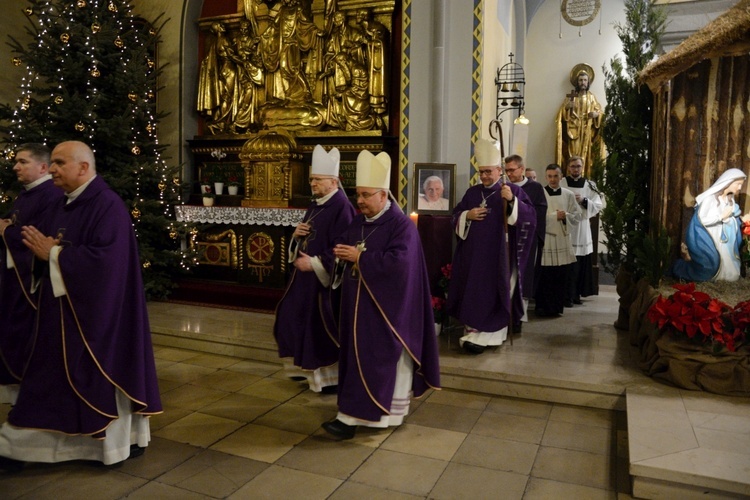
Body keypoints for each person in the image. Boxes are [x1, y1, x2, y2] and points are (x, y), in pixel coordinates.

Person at [0, 141, 162, 471]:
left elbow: (107, 264)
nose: (53, 169)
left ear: (83, 168)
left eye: (59, 163)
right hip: (59, 313)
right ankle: (33, 448)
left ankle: (109, 446)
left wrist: (55, 255)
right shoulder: (66, 203)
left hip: (96, 322)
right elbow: (42, 247)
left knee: (86, 376)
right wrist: (45, 255)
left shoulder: (107, 206)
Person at [321, 149, 440, 439]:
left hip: (387, 313)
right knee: (356, 358)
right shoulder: (358, 223)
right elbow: (344, 249)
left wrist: (360, 258)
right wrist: (339, 257)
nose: (358, 201)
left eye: (365, 195)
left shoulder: (401, 227)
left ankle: (381, 416)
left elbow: (400, 266)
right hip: (357, 308)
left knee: (379, 359)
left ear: (383, 195)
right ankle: (348, 415)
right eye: (357, 194)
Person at [273, 145, 355, 393]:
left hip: (322, 283)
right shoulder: (318, 204)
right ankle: (302, 369)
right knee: (290, 316)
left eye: (317, 179)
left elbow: (343, 246)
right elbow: (308, 237)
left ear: (333, 181)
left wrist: (315, 263)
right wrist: (296, 237)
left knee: (317, 327)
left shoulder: (341, 207)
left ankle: (329, 379)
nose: (312, 183)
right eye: (311, 179)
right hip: (304, 279)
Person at [447, 139, 536, 354]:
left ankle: (492, 335)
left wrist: (512, 201)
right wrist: (467, 214)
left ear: (499, 170)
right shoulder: (472, 193)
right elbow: (455, 216)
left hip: (499, 256)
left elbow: (530, 217)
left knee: (495, 291)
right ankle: (472, 331)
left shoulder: (510, 190)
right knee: (474, 292)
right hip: (473, 257)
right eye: (481, 172)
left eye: (488, 171)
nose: (485, 176)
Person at [0, 144, 64, 405]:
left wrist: (5, 231)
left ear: (42, 167)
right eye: (16, 161)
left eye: (22, 162)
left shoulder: (49, 195)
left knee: (23, 335)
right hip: (11, 278)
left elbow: (37, 238)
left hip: (28, 281)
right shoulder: (26, 194)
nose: (16, 166)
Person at [672, 168, 750, 282]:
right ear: (728, 182)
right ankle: (679, 268)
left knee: (731, 275)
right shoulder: (710, 199)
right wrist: (721, 217)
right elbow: (702, 220)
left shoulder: (731, 200)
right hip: (709, 240)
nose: (739, 188)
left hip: (725, 244)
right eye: (738, 184)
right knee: (708, 270)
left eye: (741, 185)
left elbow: (733, 217)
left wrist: (742, 220)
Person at [504, 154, 546, 332]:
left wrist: (515, 205)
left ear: (522, 169)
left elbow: (537, 214)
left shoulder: (535, 188)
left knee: (521, 276)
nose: (509, 174)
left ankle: (519, 316)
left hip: (525, 239)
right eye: (506, 170)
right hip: (506, 239)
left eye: (512, 170)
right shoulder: (503, 187)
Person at [536, 164, 581, 317]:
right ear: (545, 177)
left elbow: (577, 215)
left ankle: (557, 307)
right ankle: (542, 307)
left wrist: (566, 216)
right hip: (546, 239)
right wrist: (555, 217)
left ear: (561, 177)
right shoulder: (540, 193)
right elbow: (536, 217)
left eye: (556, 176)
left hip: (562, 238)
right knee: (545, 276)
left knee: (560, 275)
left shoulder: (568, 194)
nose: (553, 179)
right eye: (549, 176)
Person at [561, 155, 602, 305]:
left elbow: (598, 205)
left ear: (582, 167)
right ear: (568, 168)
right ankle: (566, 295)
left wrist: (584, 201)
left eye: (578, 166)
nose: (575, 169)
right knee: (567, 264)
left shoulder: (590, 185)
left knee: (579, 264)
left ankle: (576, 294)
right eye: (572, 166)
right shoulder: (562, 183)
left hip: (582, 228)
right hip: (566, 226)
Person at [555, 65, 604, 171]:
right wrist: (567, 108)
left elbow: (599, 111)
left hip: (587, 130)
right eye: (580, 80)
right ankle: (571, 175)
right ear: (577, 82)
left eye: (585, 80)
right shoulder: (571, 96)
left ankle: (586, 175)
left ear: (588, 82)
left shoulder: (591, 97)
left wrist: (596, 115)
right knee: (573, 153)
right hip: (574, 131)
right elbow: (560, 116)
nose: (583, 82)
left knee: (586, 154)